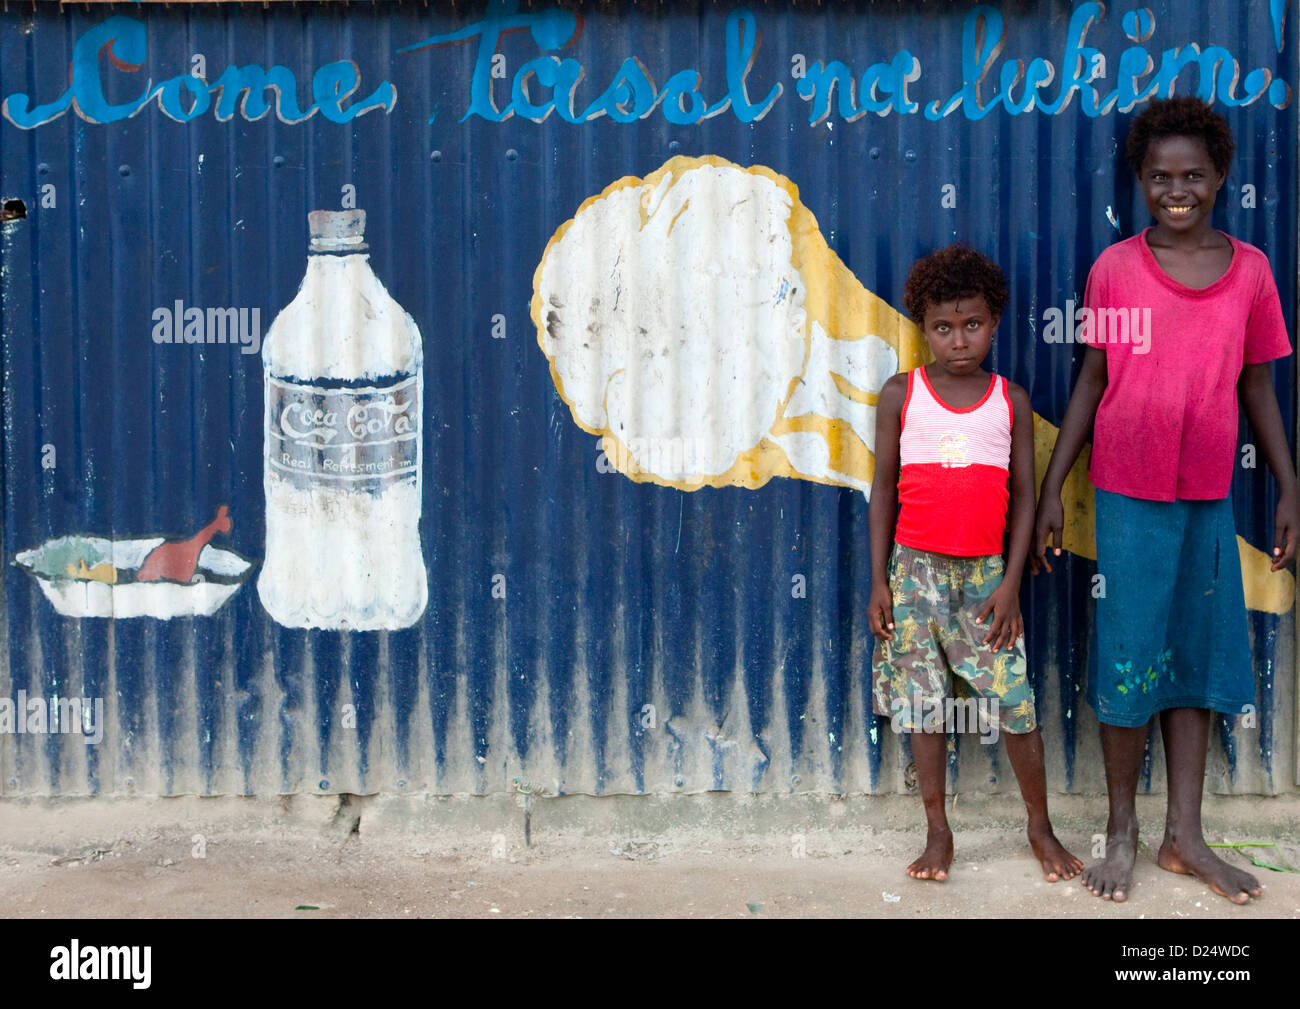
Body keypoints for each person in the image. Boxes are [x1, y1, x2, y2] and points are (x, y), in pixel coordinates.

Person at [1035, 96, 1297, 904]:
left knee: (1195, 656)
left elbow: (1258, 382)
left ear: (1220, 178)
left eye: (1192, 175)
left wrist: (1289, 484)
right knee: (1130, 654)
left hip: (1207, 494)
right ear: (1140, 181)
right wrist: (1051, 489)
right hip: (1125, 492)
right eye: (1158, 176)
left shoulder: (1251, 269)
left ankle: (1187, 835)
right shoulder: (1115, 268)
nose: (1175, 188)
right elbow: (1091, 379)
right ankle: (1122, 829)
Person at [869, 244, 1083, 884]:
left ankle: (1039, 828)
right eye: (942, 327)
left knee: (1014, 705)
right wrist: (878, 581)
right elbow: (883, 489)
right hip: (913, 576)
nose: (958, 340)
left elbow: (1024, 497)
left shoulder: (1008, 399)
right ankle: (938, 832)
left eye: (972, 325)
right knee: (924, 708)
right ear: (923, 327)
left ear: (993, 324)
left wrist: (1012, 582)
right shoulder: (900, 393)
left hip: (988, 578)